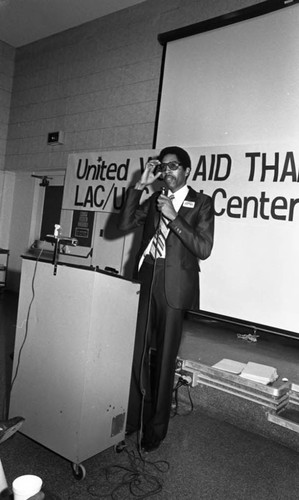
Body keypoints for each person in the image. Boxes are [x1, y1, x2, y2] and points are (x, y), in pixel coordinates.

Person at [118, 146, 214, 452]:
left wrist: (174, 218)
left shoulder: (202, 203)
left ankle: (155, 430)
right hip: (147, 275)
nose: (167, 172)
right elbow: (124, 223)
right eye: (163, 167)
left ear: (187, 171)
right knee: (135, 355)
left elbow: (203, 248)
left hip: (174, 286)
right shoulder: (155, 198)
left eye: (173, 167)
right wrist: (139, 185)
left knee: (164, 361)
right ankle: (131, 421)